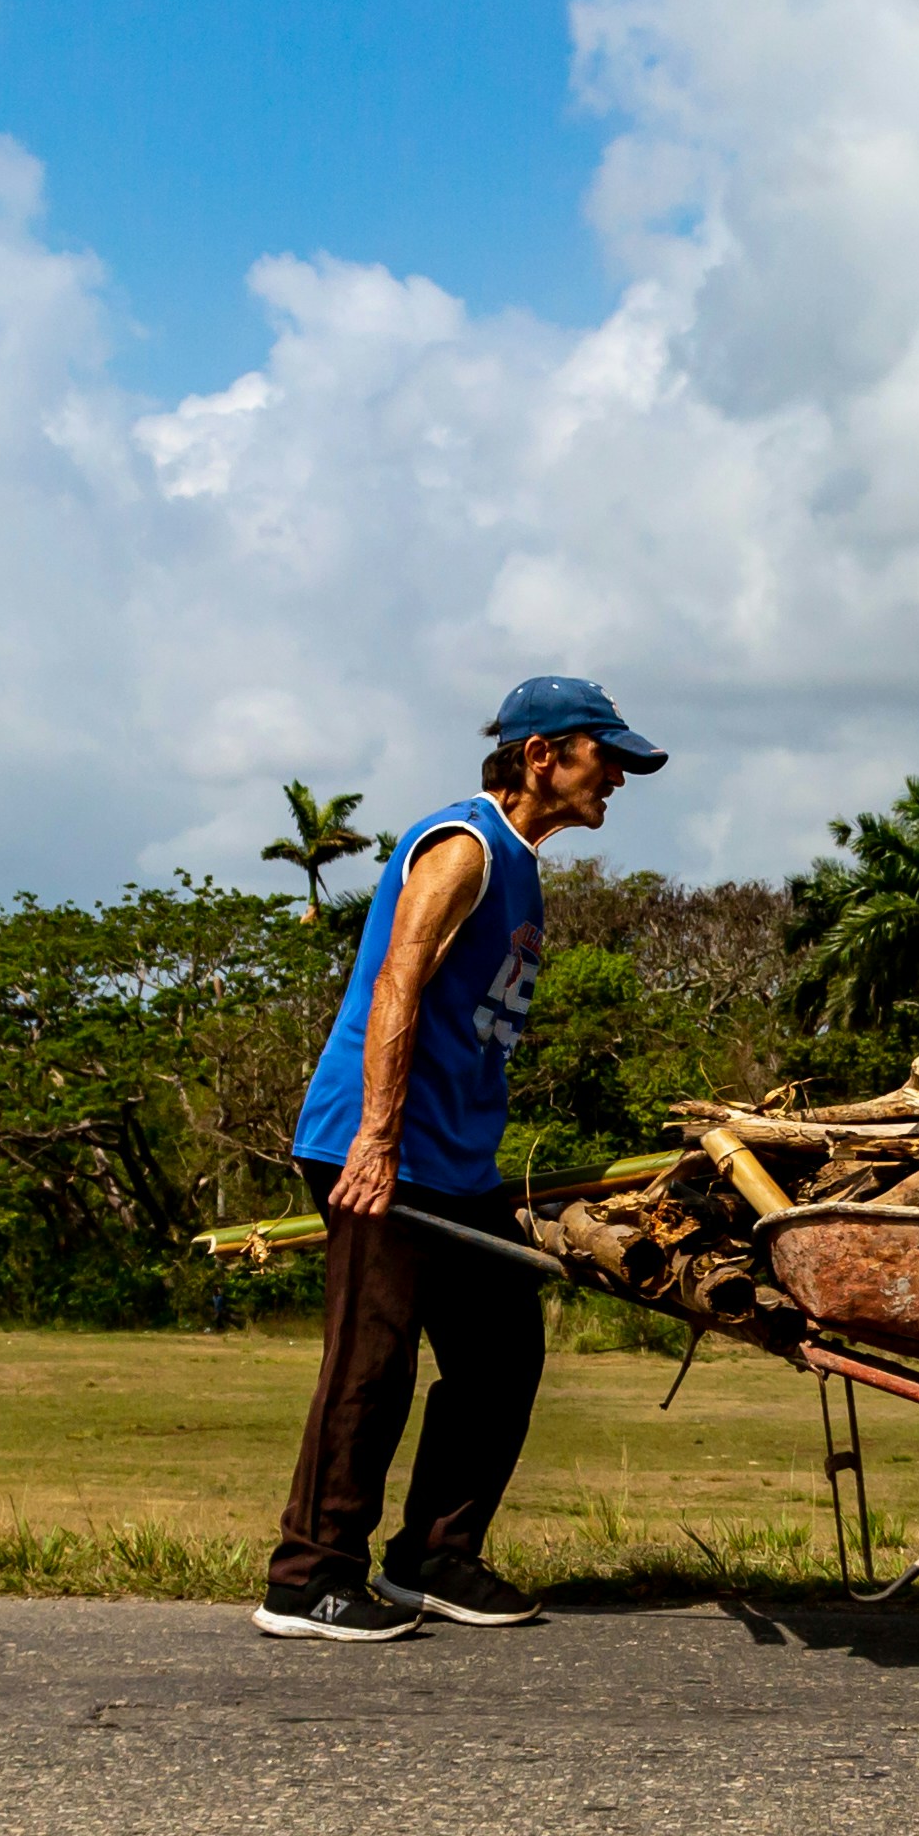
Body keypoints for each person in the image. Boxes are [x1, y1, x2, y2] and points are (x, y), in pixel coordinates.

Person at [255, 674, 664, 1640]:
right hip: (382, 1151)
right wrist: (379, 1138)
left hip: (456, 1168)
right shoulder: (463, 846)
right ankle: (308, 1576)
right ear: (542, 756)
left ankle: (433, 1557)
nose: (618, 778)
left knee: (501, 1352)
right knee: (374, 1359)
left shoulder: (523, 862)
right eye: (605, 758)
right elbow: (398, 983)